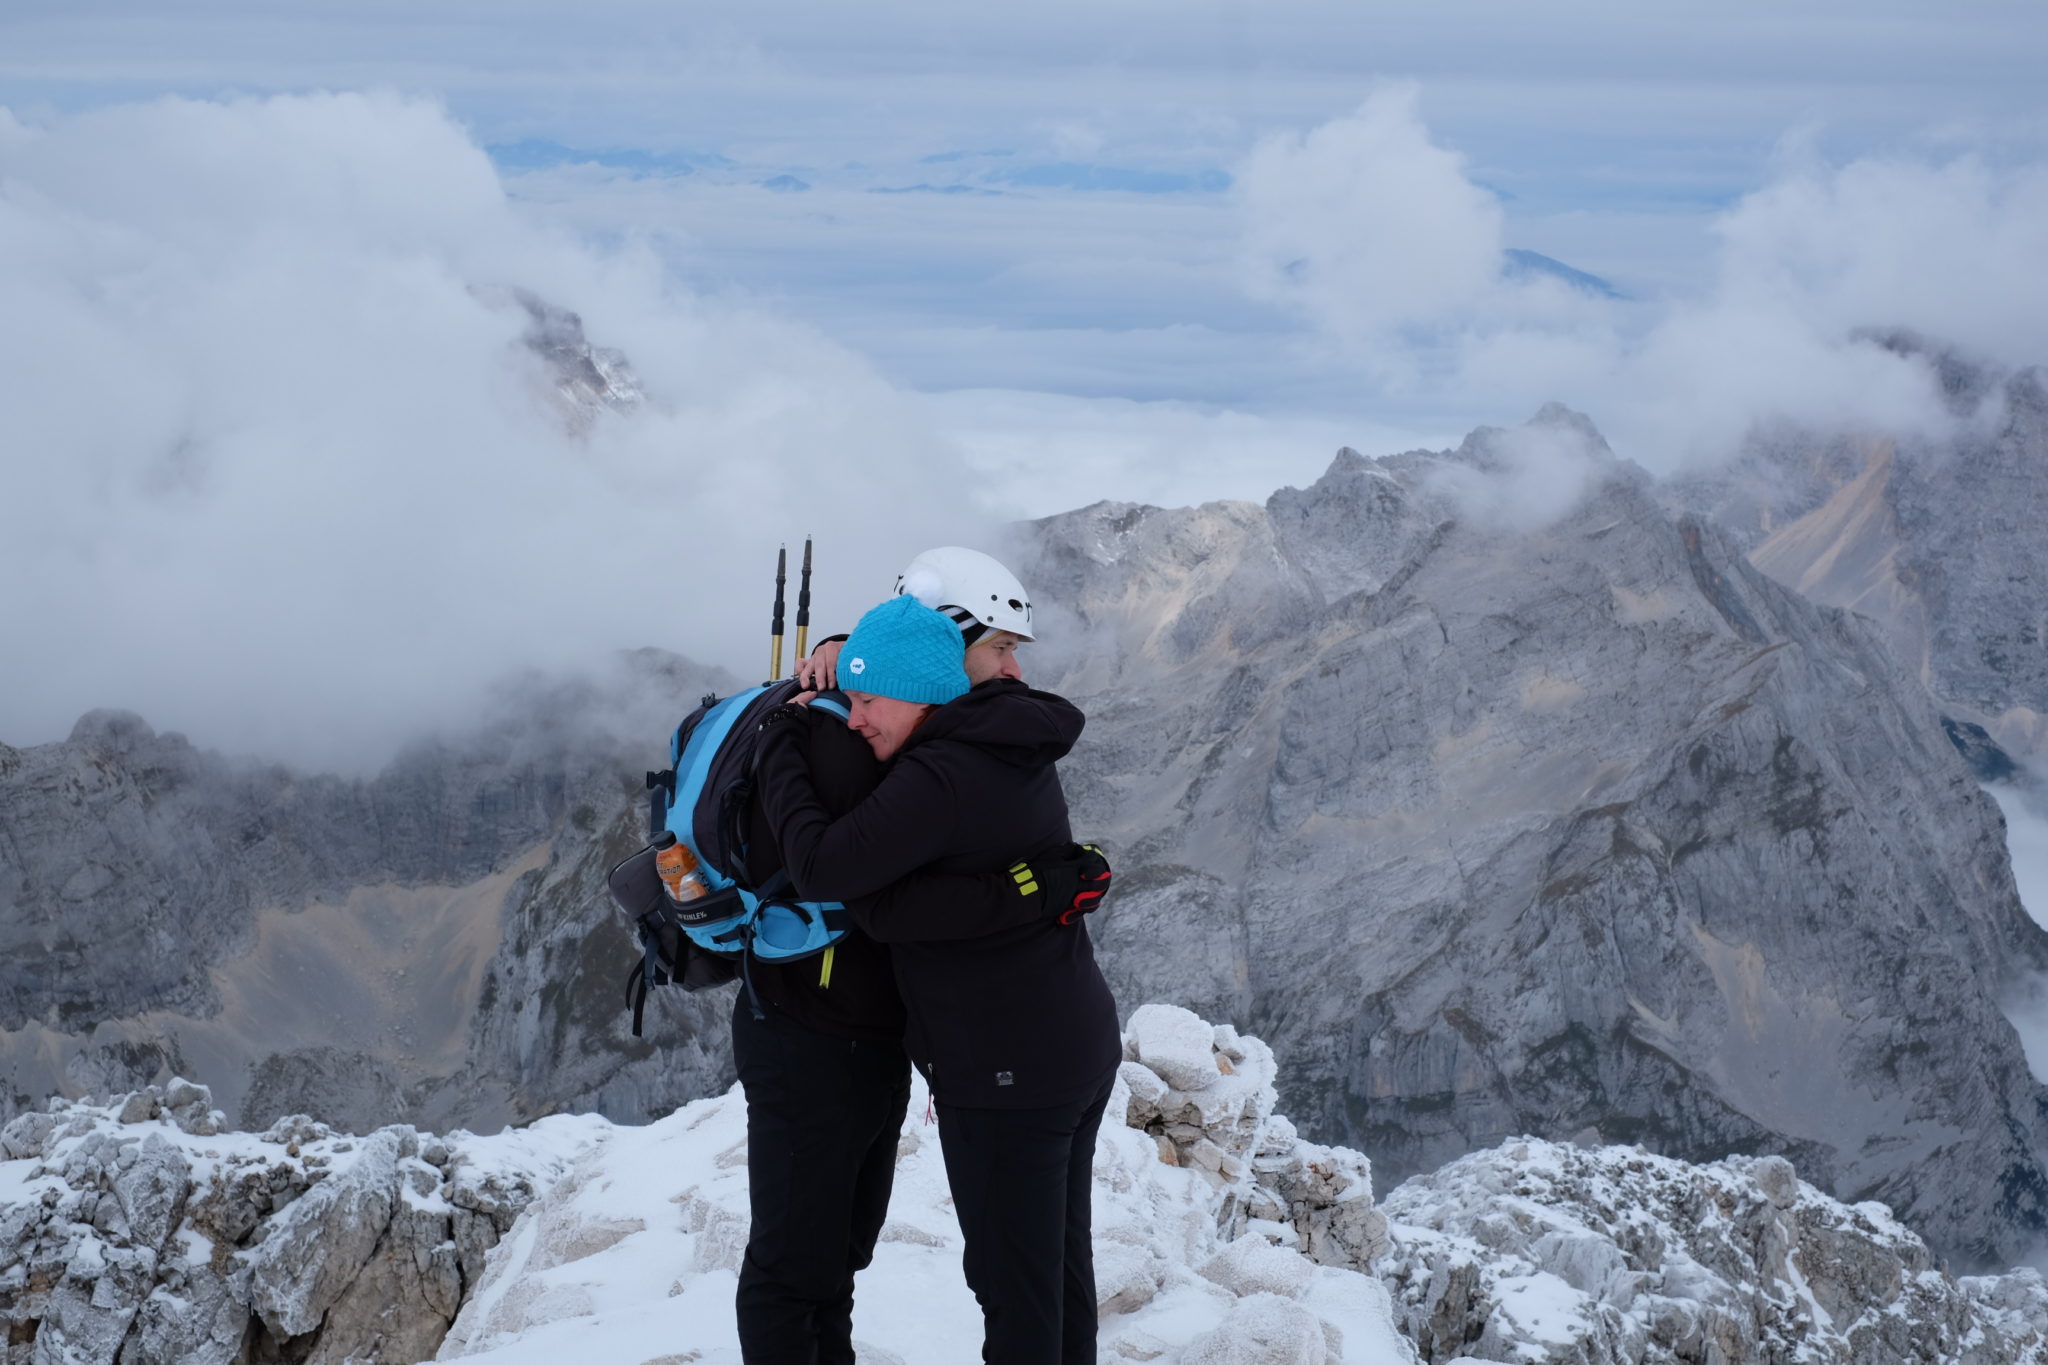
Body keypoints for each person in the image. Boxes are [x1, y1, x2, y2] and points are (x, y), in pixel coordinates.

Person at [722, 551, 1104, 1365]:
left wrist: (1036, 886)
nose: (1014, 667)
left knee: (1012, 1285)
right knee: (1029, 1278)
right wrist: (794, 721)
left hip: (984, 1058)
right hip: (828, 1033)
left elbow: (878, 890)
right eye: (1002, 646)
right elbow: (867, 889)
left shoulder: (950, 754)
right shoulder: (946, 738)